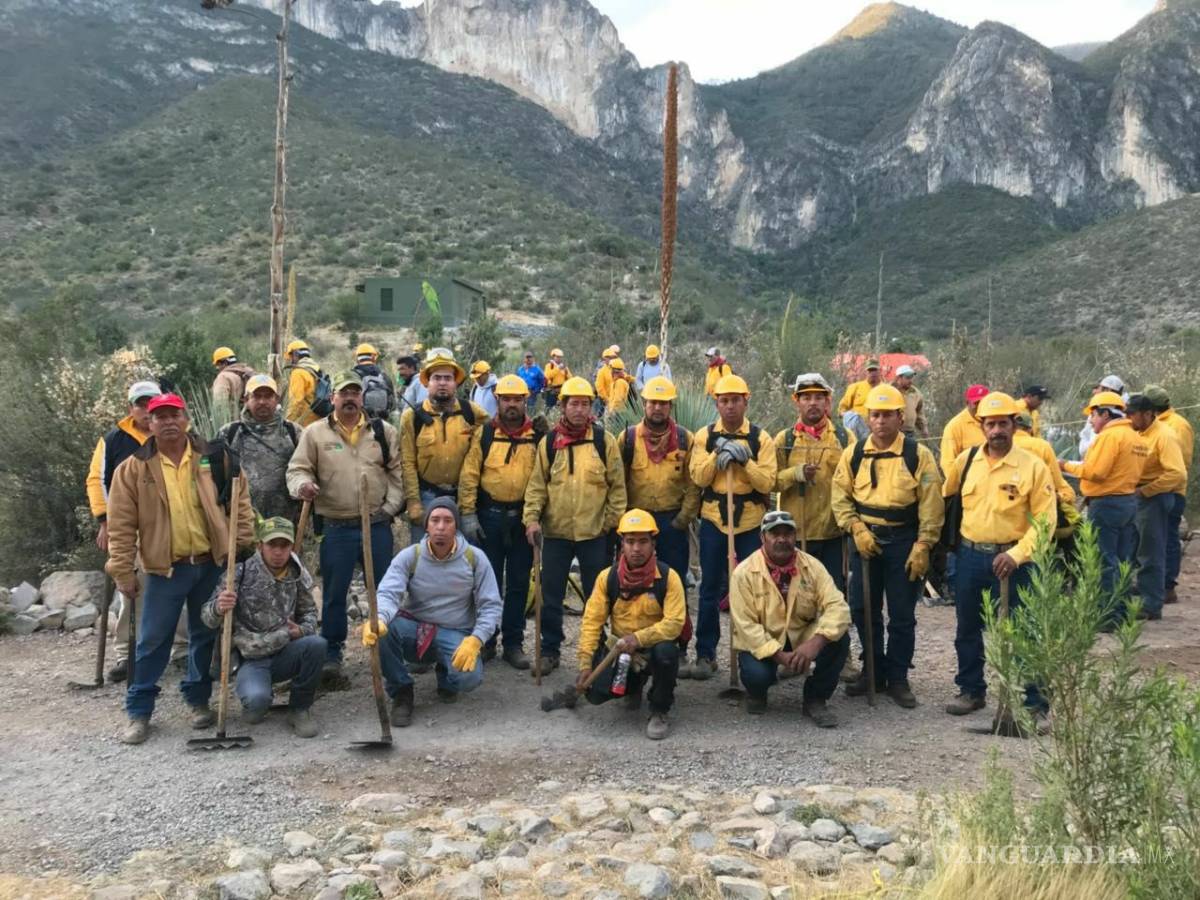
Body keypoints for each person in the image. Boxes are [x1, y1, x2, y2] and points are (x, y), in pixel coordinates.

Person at [105, 393, 255, 744]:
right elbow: (121, 525)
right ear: (150, 423)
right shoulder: (133, 468)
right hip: (164, 569)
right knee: (152, 640)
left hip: (210, 564)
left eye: (175, 415)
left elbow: (240, 501)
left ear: (186, 419)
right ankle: (139, 712)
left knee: (205, 635)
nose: (169, 422)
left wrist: (242, 543)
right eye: (161, 416)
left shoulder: (215, 458)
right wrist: (123, 570)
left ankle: (198, 701)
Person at [941, 393, 1055, 717]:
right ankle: (971, 690)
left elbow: (1046, 521)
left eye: (1003, 423)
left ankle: (1035, 703)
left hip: (1016, 561)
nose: (996, 431)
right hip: (970, 556)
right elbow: (944, 497)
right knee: (967, 626)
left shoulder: (1033, 467)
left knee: (1024, 631)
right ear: (981, 426)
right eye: (990, 424)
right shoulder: (965, 462)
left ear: (1015, 425)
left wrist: (1017, 555)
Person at [832, 384, 944, 708]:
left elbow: (931, 503)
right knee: (863, 609)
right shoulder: (853, 454)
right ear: (868, 418)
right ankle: (873, 671)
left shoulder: (917, 455)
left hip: (903, 542)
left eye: (888, 415)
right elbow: (840, 496)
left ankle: (897, 678)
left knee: (901, 613)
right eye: (875, 415)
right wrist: (855, 528)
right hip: (864, 540)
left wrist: (924, 544)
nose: (881, 421)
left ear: (899, 417)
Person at [286, 371, 404, 673]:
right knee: (334, 593)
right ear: (332, 397)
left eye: (355, 393)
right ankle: (332, 653)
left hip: (376, 525)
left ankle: (389, 649)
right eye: (344, 393)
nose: (350, 398)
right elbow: (297, 469)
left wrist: (389, 509)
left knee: (384, 590)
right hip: (336, 527)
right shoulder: (315, 433)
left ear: (362, 398)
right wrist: (303, 486)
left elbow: (398, 473)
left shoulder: (383, 431)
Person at [523, 376, 627, 676]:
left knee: (599, 596)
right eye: (574, 404)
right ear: (563, 406)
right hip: (555, 534)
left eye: (585, 404)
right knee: (551, 594)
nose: (580, 410)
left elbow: (617, 488)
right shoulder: (549, 443)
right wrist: (531, 519)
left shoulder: (602, 441)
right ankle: (550, 650)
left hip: (595, 535)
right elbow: (537, 486)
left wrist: (609, 524)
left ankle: (596, 650)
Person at [369, 498, 502, 727]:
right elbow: (388, 593)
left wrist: (476, 639)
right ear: (427, 526)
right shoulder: (410, 556)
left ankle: (447, 675)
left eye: (448, 521)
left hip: (454, 632)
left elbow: (491, 605)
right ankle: (402, 691)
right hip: (415, 629)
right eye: (435, 520)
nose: (441, 527)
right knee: (382, 632)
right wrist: (379, 618)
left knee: (469, 679)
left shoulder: (474, 558)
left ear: (456, 526)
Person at [86, 380, 186, 683]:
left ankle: (181, 650)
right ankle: (126, 653)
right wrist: (105, 521)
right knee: (132, 591)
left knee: (181, 587)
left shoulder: (179, 438)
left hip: (174, 527)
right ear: (131, 408)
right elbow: (96, 480)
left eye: (151, 402)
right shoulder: (114, 440)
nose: (146, 409)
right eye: (140, 404)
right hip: (133, 529)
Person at [684, 374, 778, 680]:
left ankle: (754, 654)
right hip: (714, 521)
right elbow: (698, 476)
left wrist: (745, 461)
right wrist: (717, 454)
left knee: (753, 589)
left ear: (745, 401)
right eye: (724, 401)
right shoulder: (705, 436)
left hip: (750, 524)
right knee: (709, 589)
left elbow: (768, 482)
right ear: (717, 403)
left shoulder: (761, 439)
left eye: (735, 400)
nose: (730, 407)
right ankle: (706, 654)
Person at [199, 517, 325, 738]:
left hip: (285, 650)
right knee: (257, 705)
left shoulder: (297, 573)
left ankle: (299, 709)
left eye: (284, 546)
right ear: (260, 546)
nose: (278, 552)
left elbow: (310, 614)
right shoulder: (237, 573)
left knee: (316, 645)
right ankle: (258, 699)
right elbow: (207, 619)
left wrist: (302, 630)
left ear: (291, 547)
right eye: (272, 545)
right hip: (251, 658)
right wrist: (219, 607)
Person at [730, 510, 851, 726]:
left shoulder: (813, 566)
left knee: (839, 639)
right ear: (762, 537)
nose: (782, 539)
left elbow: (838, 607)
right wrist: (779, 656)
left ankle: (815, 699)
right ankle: (757, 693)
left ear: (795, 537)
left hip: (801, 635)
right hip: (764, 640)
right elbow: (746, 626)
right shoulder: (744, 572)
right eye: (774, 534)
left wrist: (816, 642)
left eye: (788, 534)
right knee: (757, 675)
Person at [577, 509, 685, 740]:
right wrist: (586, 664)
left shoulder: (669, 577)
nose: (637, 548)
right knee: (595, 695)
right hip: (621, 652)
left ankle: (659, 708)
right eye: (631, 541)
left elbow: (674, 624)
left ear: (653, 543)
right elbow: (591, 622)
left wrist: (638, 639)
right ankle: (633, 685)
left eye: (643, 541)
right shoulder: (608, 578)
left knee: (666, 653)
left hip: (653, 650)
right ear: (622, 543)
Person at [458, 375, 542, 669]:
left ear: (525, 400)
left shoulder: (537, 436)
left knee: (519, 583)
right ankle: (486, 640)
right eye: (506, 399)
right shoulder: (485, 434)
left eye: (517, 399)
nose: (511, 405)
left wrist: (537, 517)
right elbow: (469, 475)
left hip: (522, 520)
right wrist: (467, 514)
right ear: (497, 400)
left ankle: (514, 643)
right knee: (486, 584)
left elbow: (544, 479)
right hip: (489, 519)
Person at [1059, 391, 1148, 615]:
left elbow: (1096, 472)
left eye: (1093, 415)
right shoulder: (1136, 437)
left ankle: (1109, 615)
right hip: (1128, 502)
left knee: (1105, 560)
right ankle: (1122, 609)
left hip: (1107, 503)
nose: (1091, 420)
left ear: (1106, 414)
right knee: (1123, 559)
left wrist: (1065, 465)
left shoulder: (1110, 437)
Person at [399, 348, 487, 543]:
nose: (442, 383)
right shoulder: (411, 417)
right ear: (427, 382)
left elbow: (498, 430)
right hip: (427, 497)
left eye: (447, 378)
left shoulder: (471, 412)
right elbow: (407, 463)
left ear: (455, 382)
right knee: (423, 557)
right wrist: (413, 503)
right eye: (436, 378)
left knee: (464, 558)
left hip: (463, 500)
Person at [618, 376, 699, 584]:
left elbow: (693, 485)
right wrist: (622, 517)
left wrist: (681, 520)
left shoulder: (685, 439)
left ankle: (675, 616)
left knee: (673, 581)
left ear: (670, 406)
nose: (657, 407)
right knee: (634, 582)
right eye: (652, 402)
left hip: (671, 522)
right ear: (644, 404)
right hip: (636, 522)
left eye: (663, 403)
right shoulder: (627, 438)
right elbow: (617, 483)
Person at [774, 374, 851, 590]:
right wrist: (795, 474)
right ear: (796, 401)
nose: (813, 403)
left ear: (828, 402)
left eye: (819, 397)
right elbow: (770, 482)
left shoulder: (844, 438)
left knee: (832, 593)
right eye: (806, 398)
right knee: (800, 595)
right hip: (797, 535)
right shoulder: (784, 440)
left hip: (833, 533)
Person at [1127, 393, 1187, 621]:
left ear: (1148, 413)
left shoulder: (1164, 436)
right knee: (1135, 548)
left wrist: (1146, 490)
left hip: (1155, 497)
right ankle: (1142, 594)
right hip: (1139, 496)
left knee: (1150, 551)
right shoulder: (1138, 433)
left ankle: (1152, 604)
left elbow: (1177, 473)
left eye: (1133, 414)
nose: (1130, 418)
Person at [214, 374, 299, 521]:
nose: (262, 401)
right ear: (246, 400)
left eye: (268, 396)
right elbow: (215, 478)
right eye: (256, 396)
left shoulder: (294, 432)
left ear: (277, 399)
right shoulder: (229, 433)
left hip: (285, 524)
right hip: (242, 520)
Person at [1144, 385, 1194, 604]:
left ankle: (1167, 585)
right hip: (1159, 488)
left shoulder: (1177, 426)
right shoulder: (1157, 424)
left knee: (1169, 539)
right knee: (1156, 540)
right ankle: (1156, 584)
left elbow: (1180, 464)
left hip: (1171, 490)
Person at [940, 384, 989, 468]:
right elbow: (948, 463)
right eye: (976, 403)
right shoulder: (954, 426)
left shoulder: (998, 420)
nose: (980, 406)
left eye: (984, 402)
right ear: (967, 403)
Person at [1079, 375, 1125, 458]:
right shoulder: (1097, 411)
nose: (1094, 391)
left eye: (1098, 388)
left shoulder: (1118, 418)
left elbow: (1089, 450)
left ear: (1108, 390)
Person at [837, 358, 882, 441]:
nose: (873, 373)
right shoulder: (855, 387)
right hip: (857, 434)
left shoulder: (886, 389)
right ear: (866, 372)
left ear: (880, 371)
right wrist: (851, 417)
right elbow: (841, 409)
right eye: (870, 370)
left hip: (879, 432)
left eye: (875, 370)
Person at [283, 339, 324, 427]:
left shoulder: (298, 372)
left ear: (295, 354)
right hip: (320, 421)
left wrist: (287, 423)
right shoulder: (315, 369)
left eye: (290, 357)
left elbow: (296, 402)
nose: (289, 360)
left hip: (306, 424)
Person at [352, 343, 397, 422]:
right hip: (381, 423)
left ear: (357, 358)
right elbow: (392, 405)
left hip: (358, 423)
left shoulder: (352, 376)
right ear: (373, 357)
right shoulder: (385, 377)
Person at [211, 347, 255, 424]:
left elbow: (219, 404)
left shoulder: (223, 377)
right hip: (250, 422)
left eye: (218, 364)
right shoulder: (247, 373)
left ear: (224, 363)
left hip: (231, 424)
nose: (217, 368)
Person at [892, 365, 928, 438]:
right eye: (907, 378)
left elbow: (919, 413)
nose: (910, 380)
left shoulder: (916, 393)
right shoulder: (890, 391)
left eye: (911, 377)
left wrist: (923, 428)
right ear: (899, 378)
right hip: (893, 432)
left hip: (910, 432)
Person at [594, 346, 618, 415]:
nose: (612, 359)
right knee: (603, 420)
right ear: (605, 359)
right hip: (604, 401)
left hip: (616, 401)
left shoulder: (616, 369)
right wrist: (607, 400)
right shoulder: (601, 371)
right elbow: (600, 388)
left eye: (613, 358)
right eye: (610, 358)